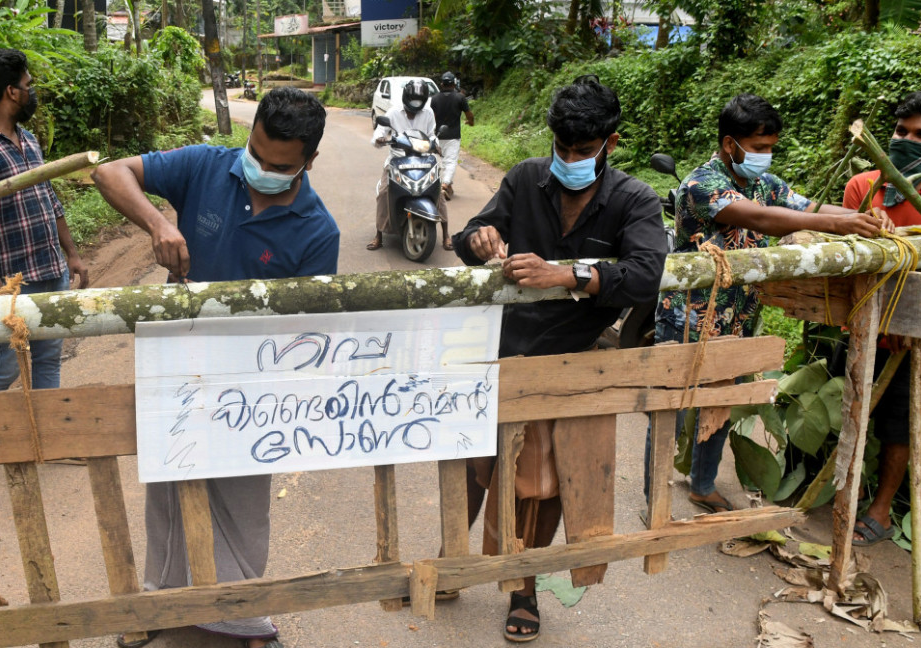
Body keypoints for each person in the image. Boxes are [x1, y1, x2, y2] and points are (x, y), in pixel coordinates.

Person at [92, 86, 338, 648]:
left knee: (244, 495)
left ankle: (247, 617)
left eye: (279, 166)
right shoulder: (206, 165)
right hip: (176, 362)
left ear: (308, 161)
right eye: (255, 153)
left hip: (253, 383)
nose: (260, 171)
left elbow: (308, 333)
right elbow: (109, 174)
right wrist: (158, 224)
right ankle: (161, 600)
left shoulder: (318, 231)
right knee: (168, 484)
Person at [452, 74, 667, 642]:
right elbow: (474, 230)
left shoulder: (633, 199)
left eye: (583, 151)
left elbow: (646, 275)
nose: (570, 159)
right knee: (474, 464)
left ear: (610, 144)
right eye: (563, 148)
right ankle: (454, 560)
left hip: (570, 361)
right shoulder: (525, 178)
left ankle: (523, 588)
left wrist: (567, 273)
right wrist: (478, 240)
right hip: (498, 349)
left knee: (541, 483)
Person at [650, 93, 888, 513]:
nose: (766, 156)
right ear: (730, 144)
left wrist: (866, 217)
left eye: (771, 148)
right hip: (688, 318)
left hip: (739, 317)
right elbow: (759, 218)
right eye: (759, 148)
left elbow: (808, 207)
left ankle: (702, 485)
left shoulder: (767, 184)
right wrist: (837, 222)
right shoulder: (700, 185)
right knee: (671, 408)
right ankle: (654, 489)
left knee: (721, 404)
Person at [0, 48, 89, 482]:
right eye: (28, 86)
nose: (32, 94)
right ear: (11, 92)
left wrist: (72, 254)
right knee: (8, 364)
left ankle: (48, 440)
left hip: (51, 267)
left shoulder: (28, 140)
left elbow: (50, 198)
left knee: (49, 357)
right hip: (14, 280)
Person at [842, 91, 921, 546]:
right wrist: (867, 226)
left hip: (917, 334)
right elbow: (848, 248)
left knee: (900, 423)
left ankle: (882, 508)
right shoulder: (865, 186)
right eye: (901, 132)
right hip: (866, 321)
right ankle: (841, 487)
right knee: (850, 403)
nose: (907, 141)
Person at [367, 79, 451, 251]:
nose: (415, 106)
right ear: (406, 98)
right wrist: (381, 139)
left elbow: (431, 134)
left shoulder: (427, 112)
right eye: (413, 101)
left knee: (438, 193)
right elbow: (378, 134)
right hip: (397, 159)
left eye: (418, 102)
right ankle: (379, 234)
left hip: (423, 158)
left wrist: (436, 144)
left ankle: (446, 234)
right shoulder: (393, 112)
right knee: (384, 192)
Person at [429, 71, 474, 200]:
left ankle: (445, 184)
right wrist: (470, 122)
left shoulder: (435, 98)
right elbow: (469, 114)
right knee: (451, 161)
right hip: (453, 136)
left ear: (442, 84)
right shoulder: (460, 97)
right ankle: (445, 184)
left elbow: (433, 117)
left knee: (441, 161)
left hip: (438, 134)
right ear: (454, 84)